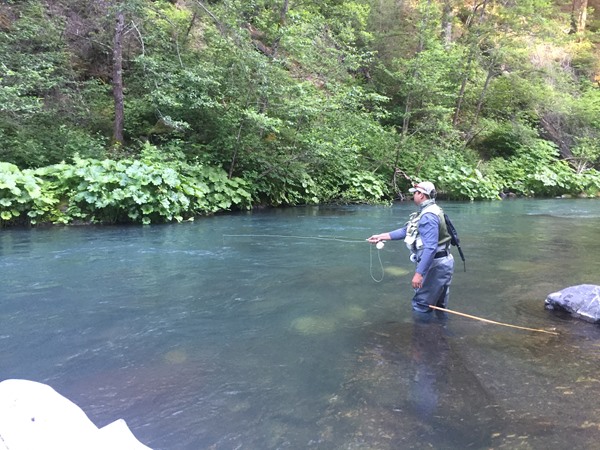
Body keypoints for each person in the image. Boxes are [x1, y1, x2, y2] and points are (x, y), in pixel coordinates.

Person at [367, 181, 454, 313]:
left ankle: (422, 333)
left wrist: (419, 274)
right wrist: (381, 236)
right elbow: (406, 230)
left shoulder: (428, 217)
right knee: (439, 306)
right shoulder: (432, 210)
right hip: (442, 263)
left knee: (421, 306)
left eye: (415, 193)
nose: (413, 196)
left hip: (435, 266)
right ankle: (440, 331)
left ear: (421, 195)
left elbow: (430, 248)